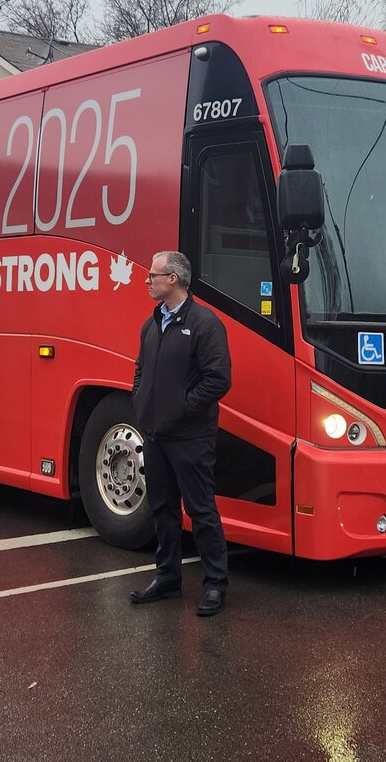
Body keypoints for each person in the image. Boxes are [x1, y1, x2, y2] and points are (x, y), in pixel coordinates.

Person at [128, 251, 232, 617]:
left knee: (201, 510)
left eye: (153, 275)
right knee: (162, 509)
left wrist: (182, 408)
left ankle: (215, 584)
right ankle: (168, 578)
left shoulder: (205, 323)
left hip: (191, 437)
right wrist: (141, 402)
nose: (147, 281)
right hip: (156, 435)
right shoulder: (151, 324)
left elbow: (218, 379)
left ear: (173, 279)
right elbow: (140, 370)